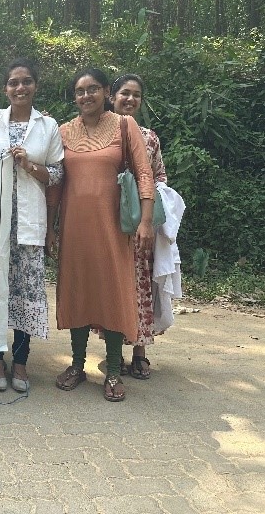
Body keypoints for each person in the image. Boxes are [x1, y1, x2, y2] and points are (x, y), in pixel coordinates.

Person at [48, 68, 154, 403]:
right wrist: (51, 227)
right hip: (75, 226)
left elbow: (143, 174)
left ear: (106, 91)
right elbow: (57, 184)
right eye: (79, 91)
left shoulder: (125, 125)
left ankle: (112, 371)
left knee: (111, 291)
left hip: (112, 226)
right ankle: (76, 365)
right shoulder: (64, 131)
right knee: (77, 289)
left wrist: (146, 222)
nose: (86, 96)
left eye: (92, 89)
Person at [0, 59, 64, 392]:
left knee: (25, 293)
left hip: (28, 223)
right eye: (13, 83)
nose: (20, 88)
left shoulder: (48, 126)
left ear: (35, 85)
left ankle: (20, 363)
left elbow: (57, 174)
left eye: (26, 82)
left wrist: (30, 165)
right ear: (5, 89)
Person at [110, 73, 168, 379]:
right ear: (112, 97)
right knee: (114, 285)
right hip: (107, 224)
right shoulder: (102, 133)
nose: (130, 99)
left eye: (136, 95)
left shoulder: (149, 138)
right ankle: (113, 353)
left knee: (139, 286)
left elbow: (159, 176)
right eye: (124, 93)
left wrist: (147, 214)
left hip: (138, 226)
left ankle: (140, 352)